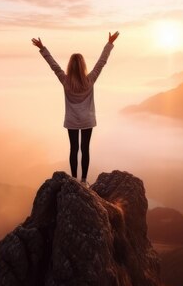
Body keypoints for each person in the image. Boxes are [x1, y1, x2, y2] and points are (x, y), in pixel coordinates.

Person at [32, 31, 119, 185]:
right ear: (83, 66)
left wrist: (42, 48)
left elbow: (54, 65)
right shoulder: (90, 80)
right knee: (85, 149)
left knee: (74, 149)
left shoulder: (65, 80)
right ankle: (84, 180)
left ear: (70, 66)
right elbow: (101, 62)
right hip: (87, 119)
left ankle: (74, 179)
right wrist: (109, 44)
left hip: (72, 120)